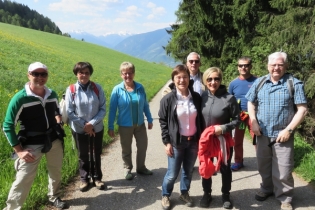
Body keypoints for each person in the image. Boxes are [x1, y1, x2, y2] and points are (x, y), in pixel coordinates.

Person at [245, 52, 307, 210]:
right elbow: (250, 103)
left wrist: (289, 130)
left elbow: (302, 110)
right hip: (262, 134)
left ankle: (285, 198)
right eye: (273, 65)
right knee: (263, 165)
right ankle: (266, 189)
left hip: (283, 135)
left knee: (284, 169)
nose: (276, 68)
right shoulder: (260, 82)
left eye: (280, 64)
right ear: (268, 66)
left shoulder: (294, 84)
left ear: (286, 66)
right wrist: (253, 122)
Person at [2, 62, 68, 209]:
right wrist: (19, 151)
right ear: (28, 75)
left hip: (53, 139)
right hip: (31, 143)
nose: (40, 77)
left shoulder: (52, 95)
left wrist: (58, 120)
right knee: (24, 178)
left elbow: (56, 111)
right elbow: (7, 126)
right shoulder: (20, 98)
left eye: (43, 74)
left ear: (47, 76)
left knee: (55, 171)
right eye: (35, 74)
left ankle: (54, 196)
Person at [158, 64, 203, 210]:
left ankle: (184, 193)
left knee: (188, 170)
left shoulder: (196, 97)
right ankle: (166, 195)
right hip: (176, 142)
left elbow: (201, 118)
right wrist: (167, 142)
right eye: (178, 77)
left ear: (189, 79)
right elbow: (163, 121)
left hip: (193, 141)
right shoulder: (168, 99)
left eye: (185, 77)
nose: (182, 80)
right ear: (173, 79)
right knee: (172, 173)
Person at [199, 67, 240, 209]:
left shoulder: (229, 98)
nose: (213, 82)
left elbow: (237, 120)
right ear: (205, 80)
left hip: (223, 140)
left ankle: (225, 195)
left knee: (225, 168)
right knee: (206, 166)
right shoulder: (202, 96)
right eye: (209, 79)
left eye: (216, 79)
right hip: (207, 141)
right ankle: (207, 194)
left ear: (221, 80)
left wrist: (222, 128)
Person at [108, 61, 153, 180]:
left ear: (134, 73)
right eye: (125, 73)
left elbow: (145, 105)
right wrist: (110, 126)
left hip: (140, 124)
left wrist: (149, 118)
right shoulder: (117, 90)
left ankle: (141, 167)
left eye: (130, 73)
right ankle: (127, 168)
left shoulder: (140, 87)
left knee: (143, 146)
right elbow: (112, 109)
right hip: (124, 125)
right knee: (126, 148)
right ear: (121, 75)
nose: (127, 76)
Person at [65, 62, 106, 192]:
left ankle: (97, 178)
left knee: (96, 153)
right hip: (79, 128)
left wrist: (92, 124)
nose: (84, 75)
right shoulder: (71, 90)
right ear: (76, 74)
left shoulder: (97, 88)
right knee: (83, 154)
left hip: (96, 128)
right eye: (81, 72)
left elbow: (103, 108)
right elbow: (70, 111)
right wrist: (84, 125)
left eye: (86, 72)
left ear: (90, 74)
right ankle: (84, 179)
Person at [228, 57, 257, 171]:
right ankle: (238, 161)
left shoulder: (257, 81)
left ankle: (263, 162)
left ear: (250, 66)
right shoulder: (233, 84)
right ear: (238, 67)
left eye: (246, 65)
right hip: (239, 116)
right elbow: (228, 100)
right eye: (240, 65)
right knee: (237, 141)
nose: (243, 67)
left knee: (257, 140)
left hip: (254, 116)